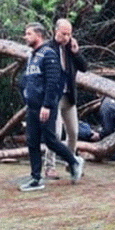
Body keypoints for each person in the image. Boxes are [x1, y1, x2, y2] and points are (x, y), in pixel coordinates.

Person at [20, 21, 83, 191]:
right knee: (32, 141)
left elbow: (53, 82)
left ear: (38, 35)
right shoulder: (32, 55)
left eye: (29, 34)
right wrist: (25, 96)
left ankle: (73, 161)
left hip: (49, 105)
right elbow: (28, 79)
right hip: (32, 107)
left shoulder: (48, 54)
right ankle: (35, 178)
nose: (25, 37)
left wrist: (47, 105)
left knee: (51, 139)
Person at [43, 18, 88, 179]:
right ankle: (49, 166)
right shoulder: (48, 48)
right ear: (56, 31)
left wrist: (76, 52)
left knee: (74, 132)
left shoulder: (70, 48)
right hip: (54, 97)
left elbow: (84, 68)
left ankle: (71, 163)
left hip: (69, 96)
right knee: (54, 133)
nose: (67, 37)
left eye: (69, 34)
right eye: (64, 34)